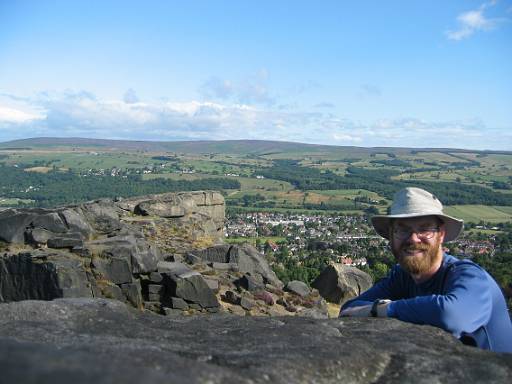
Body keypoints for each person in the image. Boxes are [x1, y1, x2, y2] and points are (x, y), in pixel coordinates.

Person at [339, 187, 512, 353]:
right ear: (391, 235)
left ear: (441, 234)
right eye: (402, 229)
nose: (413, 238)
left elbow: (452, 315)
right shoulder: (402, 276)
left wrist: (384, 309)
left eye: (425, 229)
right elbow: (350, 310)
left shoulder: (469, 276)